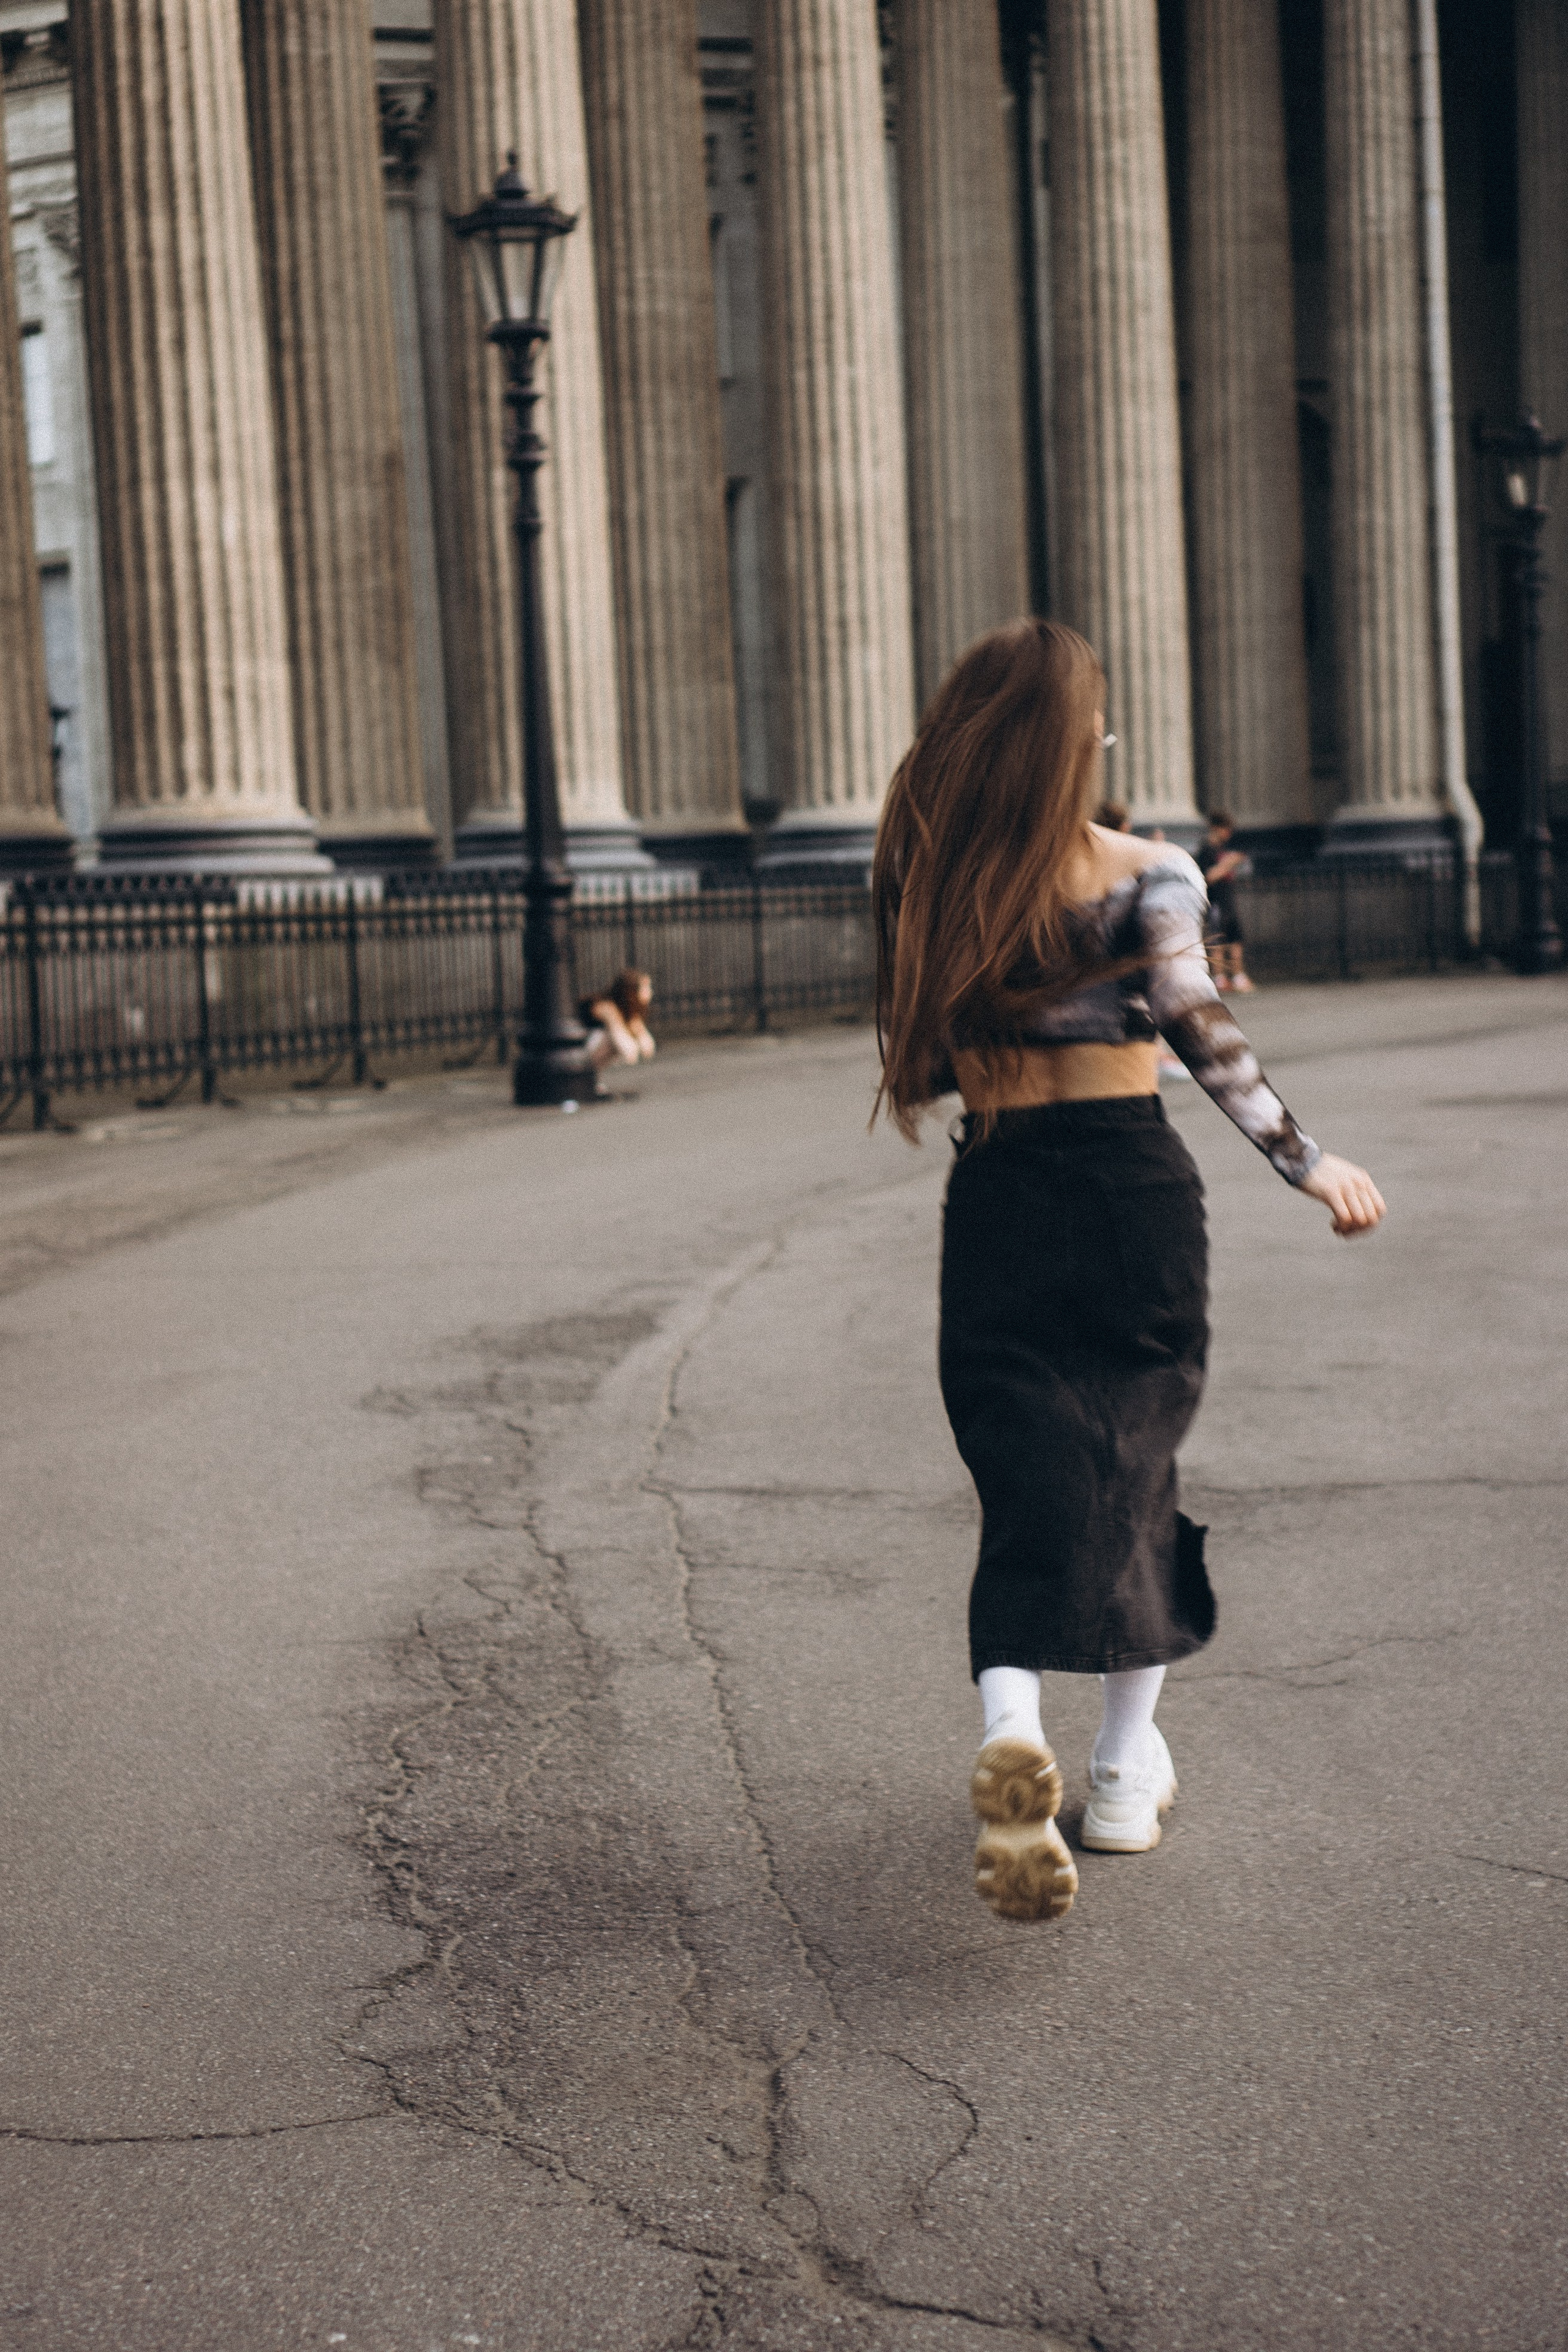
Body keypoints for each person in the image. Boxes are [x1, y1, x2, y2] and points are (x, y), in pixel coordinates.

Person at [872, 620, 1384, 1926]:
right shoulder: (1150, 872)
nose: (1103, 736)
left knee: (1022, 1461)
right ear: (1075, 741)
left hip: (1000, 1186)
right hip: (1125, 1183)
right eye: (1093, 722)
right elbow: (1198, 1028)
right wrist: (1304, 1160)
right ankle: (1114, 1772)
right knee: (1133, 1459)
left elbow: (926, 1068)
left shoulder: (937, 883)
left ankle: (1008, 1726)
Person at [1197, 810, 1253, 992]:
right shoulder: (1206, 850)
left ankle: (1238, 976)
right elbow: (1209, 877)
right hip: (1216, 901)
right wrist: (1228, 863)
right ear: (1216, 828)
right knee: (1217, 939)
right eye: (1225, 829)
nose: (1228, 833)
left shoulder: (1223, 849)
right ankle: (1219, 977)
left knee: (1236, 937)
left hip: (1229, 900)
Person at [580, 968, 656, 1071]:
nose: (650, 992)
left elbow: (648, 1049)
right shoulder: (606, 1007)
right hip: (581, 1053)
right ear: (632, 991)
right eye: (646, 987)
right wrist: (615, 1020)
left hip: (589, 1056)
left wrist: (636, 1025)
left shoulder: (629, 1011)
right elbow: (629, 1052)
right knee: (609, 1038)